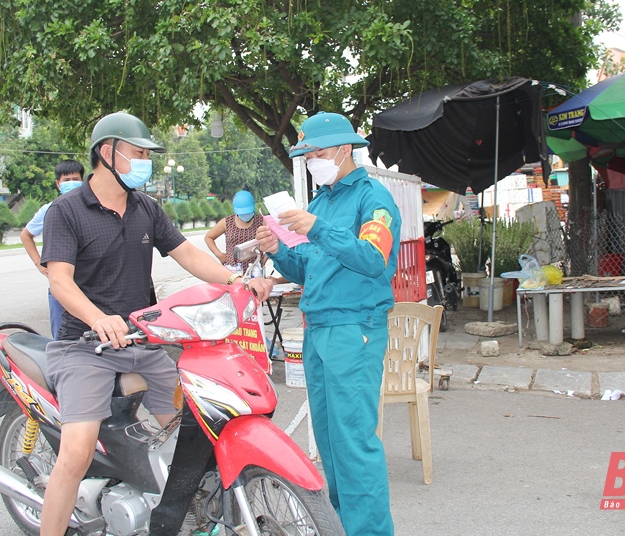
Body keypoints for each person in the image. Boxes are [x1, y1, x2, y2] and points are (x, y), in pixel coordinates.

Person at [38, 111, 273, 535]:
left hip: (143, 344)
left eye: (148, 153)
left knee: (191, 429)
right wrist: (97, 317)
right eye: (139, 152)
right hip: (84, 347)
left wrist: (238, 280)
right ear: (108, 152)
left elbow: (188, 254)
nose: (147, 160)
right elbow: (59, 280)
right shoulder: (66, 211)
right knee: (76, 451)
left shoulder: (146, 208)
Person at [256, 111, 401, 535]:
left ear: (345, 149)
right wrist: (278, 250)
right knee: (331, 445)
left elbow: (373, 259)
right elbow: (308, 266)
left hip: (354, 329)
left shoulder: (374, 198)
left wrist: (318, 229)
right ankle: (339, 527)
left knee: (353, 443)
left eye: (319, 152)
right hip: (319, 329)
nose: (313, 159)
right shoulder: (321, 201)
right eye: (307, 154)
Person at [20, 159, 85, 339]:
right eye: (66, 180)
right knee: (61, 338)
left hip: (90, 284)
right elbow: (26, 235)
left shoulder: (91, 208)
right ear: (58, 184)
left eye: (75, 178)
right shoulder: (50, 209)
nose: (71, 182)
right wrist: (38, 263)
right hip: (61, 285)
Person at [204, 190, 265, 274]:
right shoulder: (227, 222)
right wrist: (219, 255)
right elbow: (208, 237)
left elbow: (275, 239)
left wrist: (267, 256)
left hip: (255, 270)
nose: (245, 215)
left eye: (247, 213)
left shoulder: (262, 222)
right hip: (232, 271)